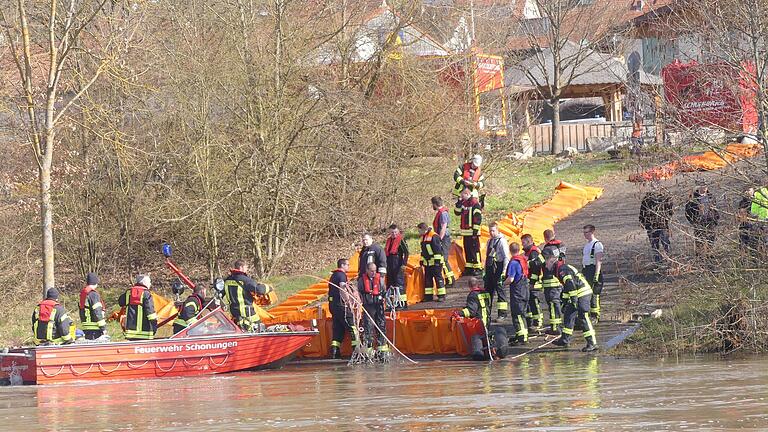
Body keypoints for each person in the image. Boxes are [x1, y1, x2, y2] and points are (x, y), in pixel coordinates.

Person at [543, 248, 598, 352]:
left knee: (583, 317)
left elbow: (570, 284)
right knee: (568, 314)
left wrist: (573, 300)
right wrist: (565, 301)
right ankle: (565, 339)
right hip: (578, 294)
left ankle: (592, 343)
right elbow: (566, 288)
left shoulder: (562, 269)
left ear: (551, 260)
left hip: (582, 294)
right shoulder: (560, 268)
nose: (545, 266)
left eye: (546, 263)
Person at [453, 277, 507, 360]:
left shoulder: (472, 295)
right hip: (487, 320)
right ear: (478, 284)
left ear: (469, 286)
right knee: (486, 335)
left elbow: (471, 311)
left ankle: (479, 352)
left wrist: (459, 313)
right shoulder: (485, 293)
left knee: (477, 337)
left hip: (479, 322)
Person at [223, 260, 267, 332]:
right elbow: (259, 290)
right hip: (248, 314)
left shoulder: (227, 280)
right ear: (241, 267)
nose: (247, 269)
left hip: (235, 315)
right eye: (246, 267)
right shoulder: (244, 280)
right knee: (261, 330)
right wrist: (268, 288)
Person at [358, 262, 390, 360]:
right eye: (371, 271)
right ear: (367, 270)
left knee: (381, 327)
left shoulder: (380, 280)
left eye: (375, 270)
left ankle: (382, 351)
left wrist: (388, 298)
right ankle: (368, 353)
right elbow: (359, 293)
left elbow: (384, 292)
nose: (373, 272)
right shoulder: (361, 281)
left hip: (378, 307)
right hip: (368, 307)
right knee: (368, 328)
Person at [328, 259, 358, 359]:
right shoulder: (341, 275)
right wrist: (348, 302)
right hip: (341, 305)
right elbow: (342, 289)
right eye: (347, 265)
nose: (348, 267)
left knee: (338, 328)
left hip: (333, 305)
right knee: (352, 327)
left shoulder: (333, 275)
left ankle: (335, 352)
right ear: (342, 265)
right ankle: (356, 351)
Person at [504, 243, 530, 345]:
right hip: (525, 290)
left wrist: (502, 283)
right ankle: (522, 334)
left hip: (517, 292)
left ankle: (522, 338)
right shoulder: (523, 259)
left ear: (510, 251)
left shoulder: (514, 262)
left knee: (517, 315)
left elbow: (511, 279)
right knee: (522, 313)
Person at [118, 275, 158, 340]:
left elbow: (120, 302)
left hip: (130, 332)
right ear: (144, 283)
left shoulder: (128, 292)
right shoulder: (146, 294)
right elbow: (150, 313)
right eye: (149, 282)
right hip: (145, 333)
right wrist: (154, 326)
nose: (150, 284)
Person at [639, 187, 673, 263]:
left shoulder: (665, 198)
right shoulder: (646, 199)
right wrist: (643, 222)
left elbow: (670, 211)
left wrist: (667, 218)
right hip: (651, 226)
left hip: (663, 225)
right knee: (654, 245)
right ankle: (657, 262)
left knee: (666, 243)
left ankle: (669, 260)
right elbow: (642, 212)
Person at [455, 187, 483, 277]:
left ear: (467, 194)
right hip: (466, 232)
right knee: (468, 250)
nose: (461, 196)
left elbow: (478, 217)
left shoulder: (475, 203)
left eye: (462, 195)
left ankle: (478, 267)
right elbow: (457, 212)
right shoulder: (463, 203)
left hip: (473, 232)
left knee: (475, 250)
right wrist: (458, 203)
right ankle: (470, 267)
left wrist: (475, 231)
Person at [684, 184, 719, 255]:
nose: (705, 188)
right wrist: (693, 221)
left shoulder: (711, 197)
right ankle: (699, 258)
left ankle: (709, 256)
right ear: (699, 187)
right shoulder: (693, 198)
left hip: (710, 222)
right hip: (699, 223)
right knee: (699, 241)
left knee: (710, 240)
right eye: (703, 186)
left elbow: (715, 209)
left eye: (706, 186)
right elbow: (687, 211)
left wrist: (716, 218)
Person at [484, 222, 510, 320]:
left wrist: (504, 271)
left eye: (493, 231)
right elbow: (487, 257)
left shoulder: (502, 241)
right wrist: (485, 271)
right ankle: (487, 313)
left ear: (497, 230)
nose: (491, 233)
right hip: (490, 269)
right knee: (488, 292)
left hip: (498, 268)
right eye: (490, 231)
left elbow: (506, 257)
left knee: (500, 292)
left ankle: (502, 314)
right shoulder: (489, 241)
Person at [540, 229, 564, 335]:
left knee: (553, 305)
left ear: (545, 238)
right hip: (559, 280)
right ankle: (557, 325)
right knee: (557, 303)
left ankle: (555, 328)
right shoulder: (560, 246)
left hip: (550, 281)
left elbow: (539, 263)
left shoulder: (546, 250)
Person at [581, 225, 604, 321]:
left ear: (592, 232)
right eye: (584, 232)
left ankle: (595, 315)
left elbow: (599, 260)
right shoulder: (587, 245)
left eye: (586, 232)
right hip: (586, 270)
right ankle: (589, 313)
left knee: (595, 294)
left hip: (593, 269)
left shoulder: (597, 244)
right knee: (587, 293)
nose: (585, 234)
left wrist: (597, 274)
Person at [418, 222, 446, 302]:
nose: (418, 232)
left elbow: (438, 250)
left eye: (419, 230)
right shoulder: (423, 237)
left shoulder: (434, 236)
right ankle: (428, 296)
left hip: (436, 262)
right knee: (428, 279)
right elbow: (423, 251)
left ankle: (441, 295)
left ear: (424, 229)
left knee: (438, 278)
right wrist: (422, 260)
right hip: (428, 262)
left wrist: (437, 262)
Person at [522, 233, 544, 330]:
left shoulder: (533, 252)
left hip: (534, 282)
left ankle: (538, 322)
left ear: (529, 242)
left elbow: (536, 268)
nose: (522, 245)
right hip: (530, 281)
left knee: (534, 302)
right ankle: (531, 322)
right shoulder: (528, 251)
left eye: (523, 243)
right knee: (530, 302)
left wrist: (532, 282)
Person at [432, 196, 456, 287]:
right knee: (443, 259)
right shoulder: (441, 212)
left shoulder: (442, 213)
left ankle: (451, 280)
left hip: (444, 238)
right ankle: (449, 279)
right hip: (443, 238)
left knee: (444, 259)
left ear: (435, 204)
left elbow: (443, 227)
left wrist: (439, 239)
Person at [384, 224, 409, 309]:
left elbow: (406, 253)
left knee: (399, 284)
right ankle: (392, 303)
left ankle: (403, 303)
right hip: (389, 263)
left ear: (398, 232)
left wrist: (404, 264)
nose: (394, 234)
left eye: (395, 232)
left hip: (398, 262)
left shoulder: (401, 240)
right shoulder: (389, 240)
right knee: (391, 284)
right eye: (392, 232)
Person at [79, 272, 106, 340]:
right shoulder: (93, 294)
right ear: (96, 282)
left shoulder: (84, 293)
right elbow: (97, 312)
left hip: (86, 327)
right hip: (94, 328)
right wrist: (103, 328)